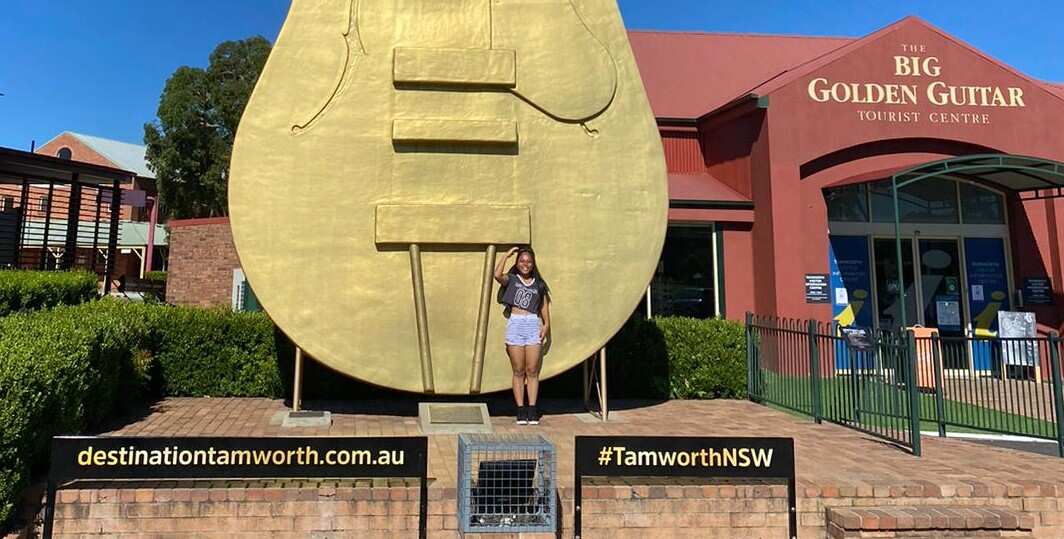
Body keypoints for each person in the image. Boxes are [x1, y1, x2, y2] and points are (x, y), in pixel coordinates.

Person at [494, 246, 551, 425]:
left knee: (532, 370)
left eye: (528, 261)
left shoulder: (539, 284)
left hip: (533, 324)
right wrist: (506, 255)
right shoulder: (511, 279)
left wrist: (546, 325)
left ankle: (532, 409)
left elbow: (543, 306)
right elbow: (497, 275)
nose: (525, 264)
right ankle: (520, 409)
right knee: (518, 370)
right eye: (522, 261)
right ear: (517, 263)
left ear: (533, 264)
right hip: (516, 323)